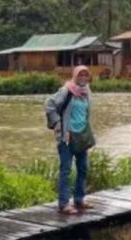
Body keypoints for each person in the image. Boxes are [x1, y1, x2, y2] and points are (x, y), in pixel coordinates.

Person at [45, 65, 96, 214]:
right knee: (66, 170)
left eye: (86, 75)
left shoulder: (87, 92)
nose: (83, 78)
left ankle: (79, 200)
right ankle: (64, 204)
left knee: (83, 168)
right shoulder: (66, 91)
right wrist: (56, 123)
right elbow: (49, 105)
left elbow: (85, 115)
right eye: (80, 75)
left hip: (82, 136)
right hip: (67, 137)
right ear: (74, 76)